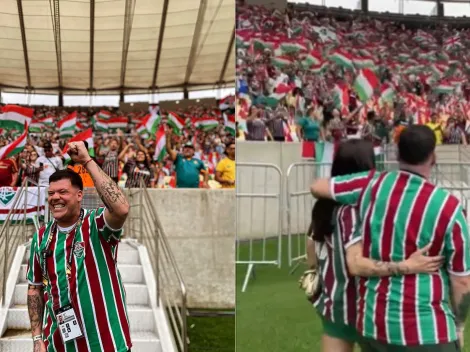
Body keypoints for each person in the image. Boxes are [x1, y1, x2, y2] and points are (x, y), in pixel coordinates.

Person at [310, 125, 470, 351]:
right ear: (433, 157)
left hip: (375, 327)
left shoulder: (370, 183)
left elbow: (317, 186)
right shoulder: (448, 207)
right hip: (428, 329)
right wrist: (460, 325)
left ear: (396, 153)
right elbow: (462, 281)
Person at [26, 141, 132, 352]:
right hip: (58, 345)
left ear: (79, 195)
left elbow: (121, 208)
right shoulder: (41, 237)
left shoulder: (97, 224)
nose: (55, 198)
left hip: (107, 344)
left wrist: (87, 161)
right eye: (51, 193)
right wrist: (37, 338)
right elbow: (34, 289)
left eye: (63, 192)